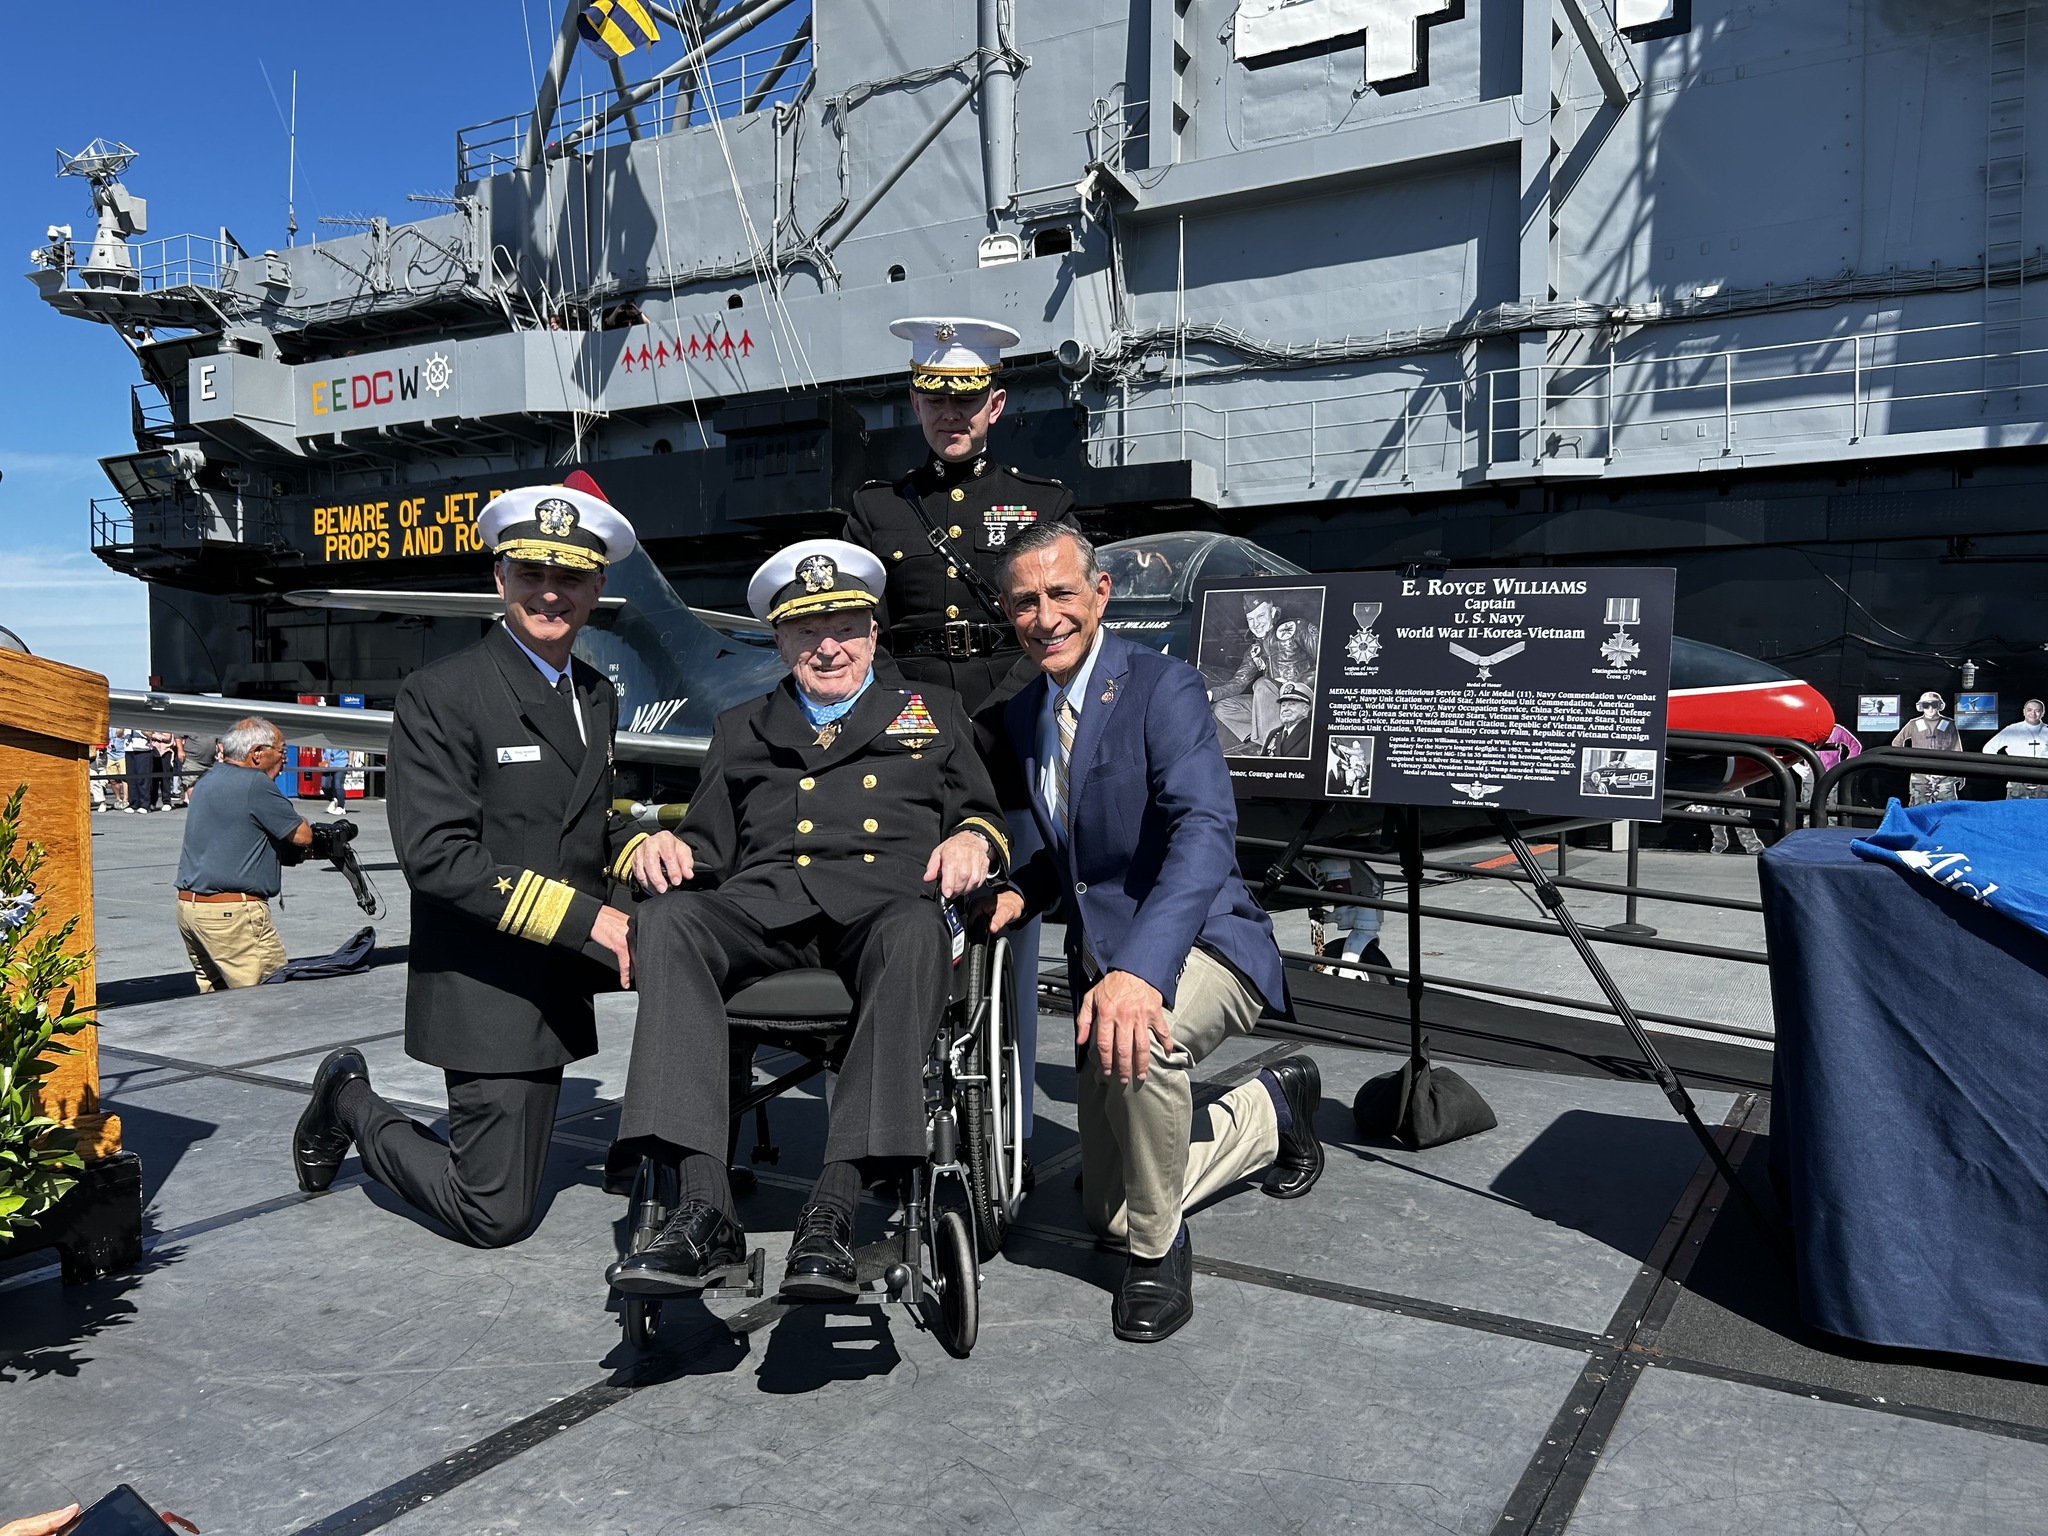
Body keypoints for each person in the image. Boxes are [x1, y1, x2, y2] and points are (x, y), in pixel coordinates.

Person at [607, 538, 1010, 1301]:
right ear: (779, 638)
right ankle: (703, 1205)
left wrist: (969, 839)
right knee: (668, 923)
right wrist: (656, 843)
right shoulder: (741, 727)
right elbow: (703, 846)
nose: (828, 646)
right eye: (805, 630)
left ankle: (832, 1205)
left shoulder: (932, 713)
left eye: (845, 626)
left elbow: (985, 821)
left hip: (881, 911)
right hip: (765, 910)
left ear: (872, 633)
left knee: (918, 934)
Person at [988, 520, 1325, 1343]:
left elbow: (1204, 827)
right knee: (1107, 1208)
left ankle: (1159, 1252)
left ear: (1099, 594)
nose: (1046, 616)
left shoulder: (1161, 685)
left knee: (1148, 1040)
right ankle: (1270, 1111)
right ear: (1009, 613)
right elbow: (1078, 856)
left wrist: (1142, 972)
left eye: (1062, 593)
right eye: (1026, 602)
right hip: (1105, 964)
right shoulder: (1023, 710)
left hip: (1207, 940)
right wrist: (1014, 892)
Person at [290, 483, 642, 1248]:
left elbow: (583, 823)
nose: (552, 594)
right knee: (494, 1213)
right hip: (491, 984)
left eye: (572, 578)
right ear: (500, 580)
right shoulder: (442, 695)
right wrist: (587, 918)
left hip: (559, 973)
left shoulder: (595, 692)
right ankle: (349, 1101)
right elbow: (438, 859)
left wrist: (641, 845)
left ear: (598, 587)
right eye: (532, 576)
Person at [843, 315, 1082, 1154]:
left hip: (1006, 742)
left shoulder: (1042, 505)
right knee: (904, 930)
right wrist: (922, 727)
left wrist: (995, 714)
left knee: (1009, 946)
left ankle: (1002, 1126)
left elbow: (1055, 632)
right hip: (910, 751)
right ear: (914, 404)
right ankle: (896, 1121)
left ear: (995, 404)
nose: (951, 414)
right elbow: (854, 630)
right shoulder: (879, 511)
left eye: (967, 399)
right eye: (934, 399)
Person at [171, 716, 313, 991]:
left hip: (191, 909)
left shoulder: (207, 780)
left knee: (217, 1003)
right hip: (232, 915)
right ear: (257, 753)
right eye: (281, 752)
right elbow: (302, 835)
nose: (284, 760)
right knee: (268, 997)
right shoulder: (254, 784)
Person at [1892, 691, 1963, 804]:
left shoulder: (1949, 724)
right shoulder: (1913, 724)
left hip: (1944, 775)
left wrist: (1960, 773)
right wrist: (1908, 762)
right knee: (1917, 811)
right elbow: (1896, 743)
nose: (1930, 708)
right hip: (1920, 776)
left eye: (1934, 705)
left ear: (1939, 706)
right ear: (1921, 707)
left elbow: (1957, 750)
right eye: (1926, 705)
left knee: (1948, 810)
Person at [1983, 697, 2048, 798]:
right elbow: (1988, 749)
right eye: (2029, 710)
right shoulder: (2012, 730)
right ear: (2024, 712)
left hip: (2044, 782)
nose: (2033, 714)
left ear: (2043, 712)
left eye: (2037, 711)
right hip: (2017, 781)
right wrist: (2004, 769)